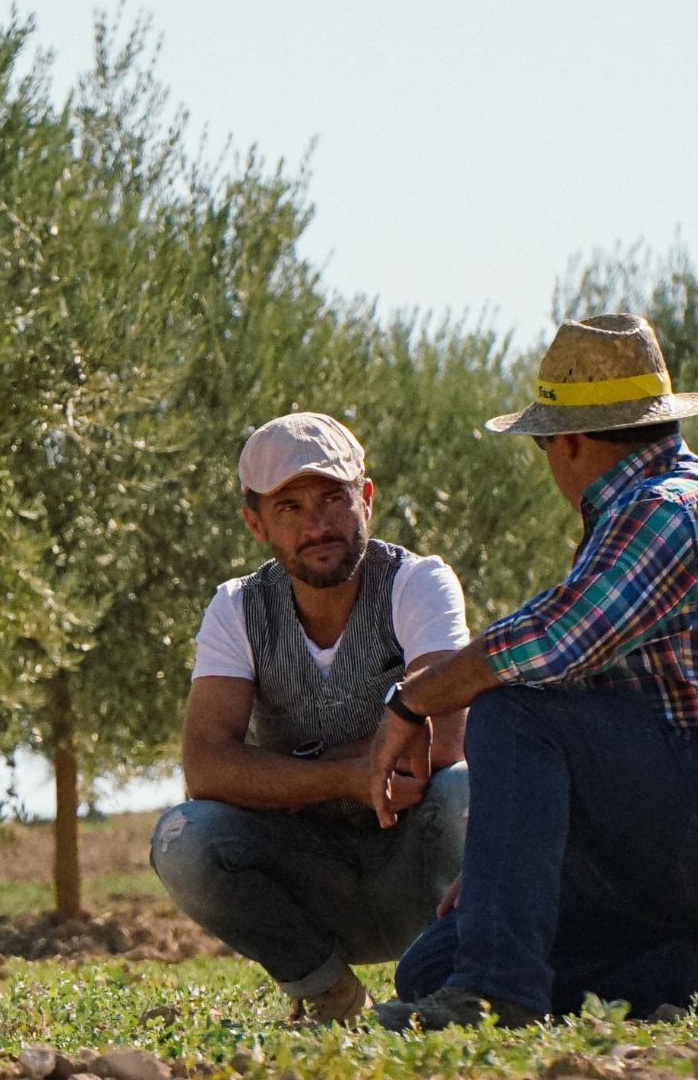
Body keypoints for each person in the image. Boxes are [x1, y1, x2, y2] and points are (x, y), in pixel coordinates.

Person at [367, 314, 698, 1031]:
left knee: (513, 705)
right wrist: (498, 878)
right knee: (429, 967)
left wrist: (411, 704)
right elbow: (598, 716)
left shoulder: (665, 512)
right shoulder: (687, 511)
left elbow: (547, 646)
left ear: (570, 442)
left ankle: (494, 997)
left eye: (544, 444)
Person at [150, 412, 472, 1024]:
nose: (317, 524)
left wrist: (279, 777)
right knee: (183, 837)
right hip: (312, 878)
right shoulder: (237, 609)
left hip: (418, 869)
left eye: (332, 499)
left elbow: (444, 741)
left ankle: (452, 985)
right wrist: (348, 775)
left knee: (464, 789)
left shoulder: (418, 583)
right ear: (255, 523)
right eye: (289, 508)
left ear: (367, 500)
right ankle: (328, 991)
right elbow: (207, 767)